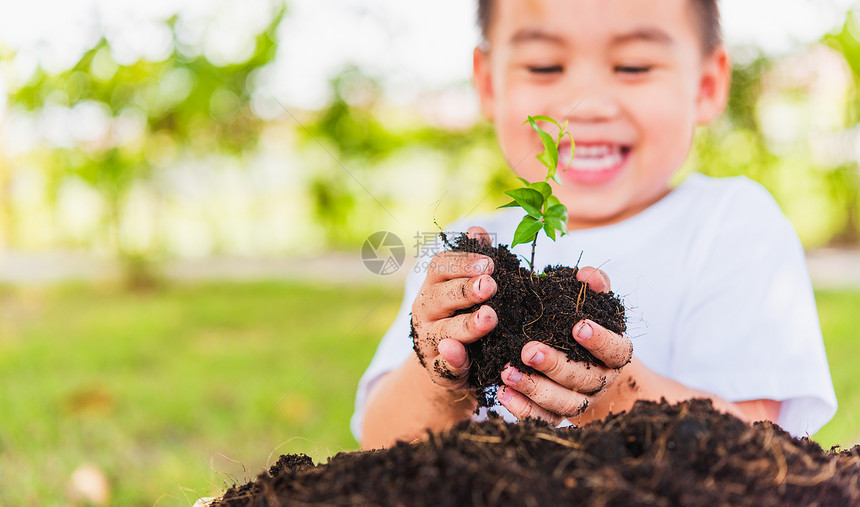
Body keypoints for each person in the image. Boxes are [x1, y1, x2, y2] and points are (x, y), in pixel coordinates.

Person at [352, 0, 837, 449]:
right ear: (489, 85)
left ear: (706, 86)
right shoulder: (463, 260)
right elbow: (380, 445)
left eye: (634, 66)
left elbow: (763, 448)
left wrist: (619, 397)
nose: (585, 104)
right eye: (545, 66)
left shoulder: (731, 226)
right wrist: (440, 376)